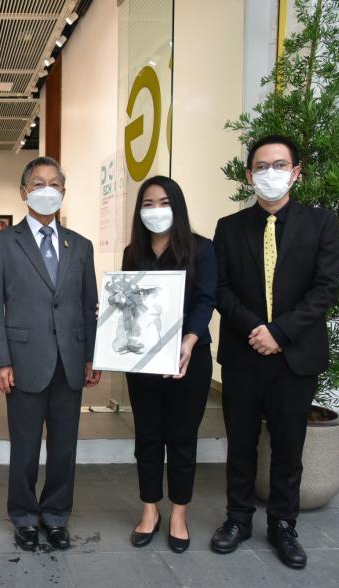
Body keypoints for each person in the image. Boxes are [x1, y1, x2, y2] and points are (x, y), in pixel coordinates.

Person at [210, 135, 339, 569]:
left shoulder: (320, 224)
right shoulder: (229, 228)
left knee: (289, 445)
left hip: (295, 355)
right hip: (244, 353)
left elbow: (325, 289)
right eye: (262, 167)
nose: (271, 173)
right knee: (241, 443)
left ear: (295, 173)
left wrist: (280, 333)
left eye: (280, 165)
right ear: (249, 175)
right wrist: (257, 330)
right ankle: (238, 518)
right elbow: (220, 289)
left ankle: (283, 524)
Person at [0, 156, 100, 551]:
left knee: (65, 446)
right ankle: (24, 516)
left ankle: (56, 515)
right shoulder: (1, 244)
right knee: (26, 447)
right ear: (23, 191)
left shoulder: (80, 246)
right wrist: (0, 360)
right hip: (23, 360)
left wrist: (92, 355)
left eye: (54, 184)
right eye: (38, 183)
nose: (46, 190)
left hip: (70, 360)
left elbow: (89, 304)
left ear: (63, 192)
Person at [121, 176, 217, 553]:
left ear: (177, 206)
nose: (156, 210)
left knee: (182, 438)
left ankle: (178, 513)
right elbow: (128, 303)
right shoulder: (133, 252)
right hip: (143, 360)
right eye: (148, 204)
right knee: (147, 436)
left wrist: (189, 340)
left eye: (164, 202)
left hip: (188, 358)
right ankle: (149, 510)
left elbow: (206, 299)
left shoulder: (202, 249)